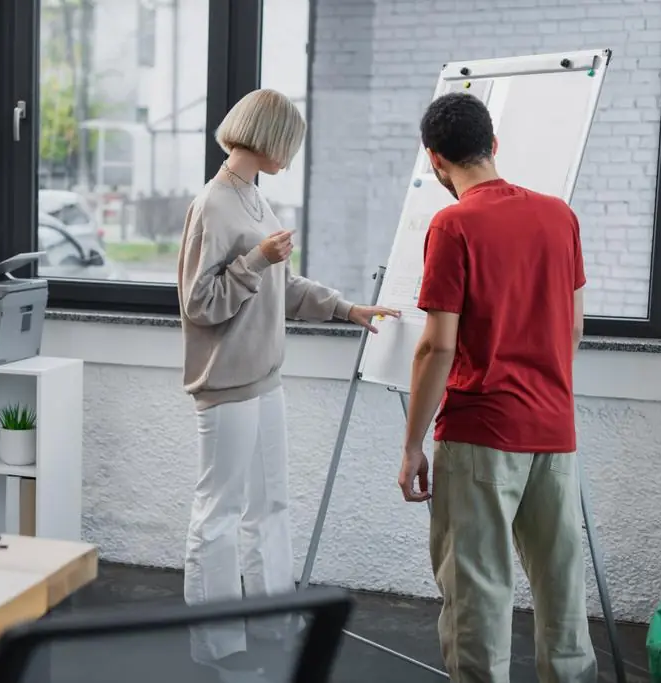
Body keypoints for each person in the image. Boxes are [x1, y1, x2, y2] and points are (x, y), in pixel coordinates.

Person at [177, 88, 400, 669]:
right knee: (219, 515)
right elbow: (200, 304)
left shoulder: (255, 200)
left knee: (271, 504)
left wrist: (346, 308)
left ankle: (274, 621)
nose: (292, 158)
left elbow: (283, 284)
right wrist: (256, 261)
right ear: (269, 139)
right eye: (290, 146)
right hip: (226, 382)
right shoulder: (213, 204)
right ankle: (216, 643)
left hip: (265, 377)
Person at [398, 91, 595, 683]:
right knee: (562, 588)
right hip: (554, 433)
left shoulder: (453, 224)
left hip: (481, 432)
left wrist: (412, 446)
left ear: (435, 159)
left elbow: (437, 346)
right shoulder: (559, 216)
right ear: (494, 145)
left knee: (477, 593)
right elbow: (574, 327)